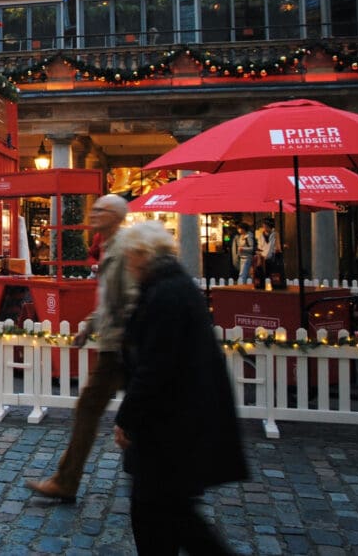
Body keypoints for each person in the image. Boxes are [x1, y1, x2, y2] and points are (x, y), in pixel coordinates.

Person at [113, 220, 248, 554]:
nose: (127, 264)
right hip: (177, 423)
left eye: (129, 256)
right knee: (166, 514)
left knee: (166, 515)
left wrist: (127, 417)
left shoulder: (166, 293)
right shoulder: (169, 285)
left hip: (173, 426)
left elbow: (156, 365)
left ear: (142, 254)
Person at [26, 193, 136, 502]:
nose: (95, 213)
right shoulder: (110, 247)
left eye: (102, 210)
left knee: (90, 409)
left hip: (121, 348)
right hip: (117, 345)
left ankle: (67, 480)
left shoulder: (123, 249)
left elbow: (125, 301)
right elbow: (110, 301)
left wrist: (115, 333)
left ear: (116, 216)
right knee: (120, 409)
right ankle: (68, 479)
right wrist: (88, 327)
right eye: (96, 208)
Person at [254, 217, 281, 285]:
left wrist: (278, 249)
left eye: (266, 226)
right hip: (263, 259)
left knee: (274, 278)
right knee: (262, 278)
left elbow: (278, 247)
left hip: (272, 258)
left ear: (270, 226)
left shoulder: (275, 234)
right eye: (264, 226)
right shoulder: (260, 235)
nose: (265, 227)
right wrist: (259, 256)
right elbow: (259, 247)